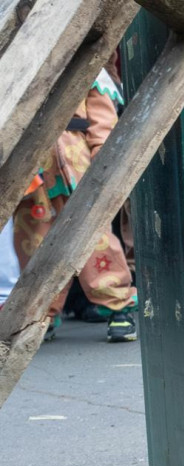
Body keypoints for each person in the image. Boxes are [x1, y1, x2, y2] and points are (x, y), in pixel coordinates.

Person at [12, 69, 138, 343]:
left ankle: (118, 306)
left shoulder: (88, 65)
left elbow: (101, 114)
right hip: (30, 169)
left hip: (76, 165)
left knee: (94, 239)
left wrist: (102, 153)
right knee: (34, 243)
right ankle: (40, 315)